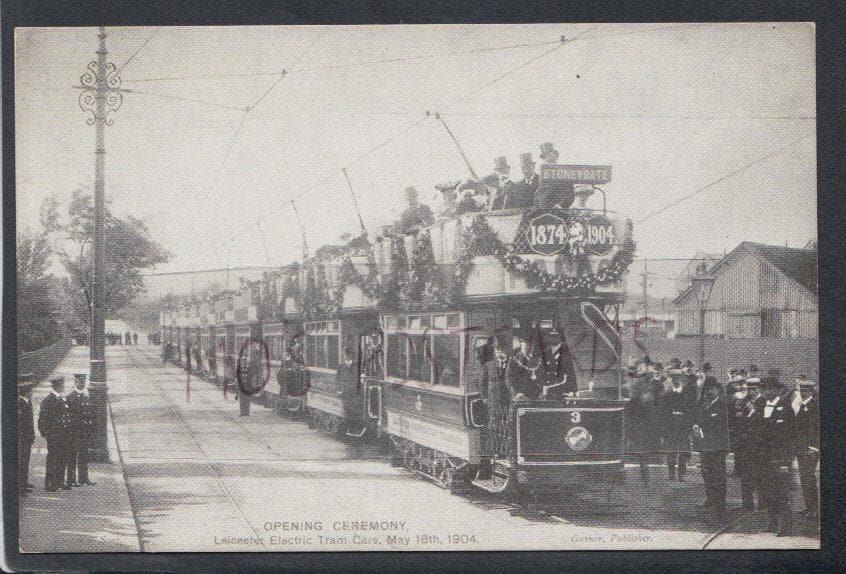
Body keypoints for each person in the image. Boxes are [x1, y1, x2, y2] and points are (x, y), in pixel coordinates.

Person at [753, 376, 794, 536]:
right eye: (764, 389)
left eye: (768, 389)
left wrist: (786, 459)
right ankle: (772, 520)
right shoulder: (760, 404)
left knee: (782, 491)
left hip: (780, 457)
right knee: (766, 490)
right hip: (763, 456)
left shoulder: (786, 408)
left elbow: (790, 436)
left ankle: (785, 525)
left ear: (776, 390)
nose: (765, 392)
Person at [692, 376, 730, 524]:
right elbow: (700, 420)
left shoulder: (722, 405)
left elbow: (721, 427)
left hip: (717, 448)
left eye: (710, 389)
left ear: (716, 390)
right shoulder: (705, 405)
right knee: (706, 473)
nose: (708, 392)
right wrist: (696, 427)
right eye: (706, 389)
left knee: (717, 476)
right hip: (706, 447)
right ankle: (711, 500)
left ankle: (720, 506)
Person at [626, 358, 662, 486]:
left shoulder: (647, 386)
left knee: (642, 453)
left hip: (642, 423)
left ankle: (645, 479)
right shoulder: (637, 385)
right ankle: (645, 479)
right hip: (637, 422)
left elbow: (653, 407)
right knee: (641, 453)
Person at [791, 376, 819, 524]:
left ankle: (813, 509)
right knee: (804, 479)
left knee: (808, 478)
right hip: (802, 448)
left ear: (812, 391)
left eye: (806, 390)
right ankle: (809, 506)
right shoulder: (803, 406)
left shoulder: (814, 406)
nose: (803, 392)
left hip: (810, 449)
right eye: (801, 389)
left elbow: (815, 429)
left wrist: (814, 447)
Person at [38, 377, 70, 491]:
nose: (63, 386)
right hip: (54, 436)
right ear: (57, 386)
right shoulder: (48, 400)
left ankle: (60, 482)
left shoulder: (61, 399)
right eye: (62, 385)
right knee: (52, 459)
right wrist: (46, 434)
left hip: (63, 435)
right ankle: (50, 483)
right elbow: (42, 420)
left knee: (62, 458)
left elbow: (65, 417)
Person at [481, 337, 512, 458]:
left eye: (502, 350)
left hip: (508, 400)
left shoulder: (512, 363)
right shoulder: (488, 365)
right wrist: (484, 398)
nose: (500, 352)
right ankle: (496, 451)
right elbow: (482, 383)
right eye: (498, 350)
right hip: (493, 401)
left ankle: (508, 451)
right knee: (494, 426)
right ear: (494, 352)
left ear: (507, 351)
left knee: (508, 425)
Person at [65, 373, 96, 487]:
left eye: (83, 382)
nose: (82, 384)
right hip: (74, 432)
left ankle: (83, 478)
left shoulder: (85, 396)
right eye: (80, 382)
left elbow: (90, 414)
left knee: (83, 455)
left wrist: (90, 431)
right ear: (75, 382)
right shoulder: (71, 397)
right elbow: (68, 417)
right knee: (72, 456)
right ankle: (71, 479)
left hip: (84, 432)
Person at [661, 369, 691, 482]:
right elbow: (663, 412)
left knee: (683, 450)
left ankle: (681, 475)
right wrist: (664, 429)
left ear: (681, 379)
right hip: (671, 426)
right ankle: (671, 474)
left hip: (683, 425)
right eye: (673, 379)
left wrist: (689, 426)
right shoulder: (667, 394)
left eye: (677, 378)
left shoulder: (687, 393)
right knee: (671, 451)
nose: (675, 381)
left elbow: (691, 410)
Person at [534, 142, 575, 209]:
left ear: (556, 156)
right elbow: (539, 194)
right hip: (543, 211)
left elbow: (570, 195)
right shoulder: (542, 178)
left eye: (549, 155)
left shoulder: (564, 174)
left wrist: (560, 205)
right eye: (545, 157)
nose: (548, 158)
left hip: (559, 211)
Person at [506, 332, 543, 401]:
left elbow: (543, 376)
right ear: (521, 344)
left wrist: (542, 391)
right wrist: (516, 393)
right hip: (521, 396)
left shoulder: (539, 359)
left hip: (538, 396)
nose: (529, 347)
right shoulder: (514, 359)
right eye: (526, 344)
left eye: (531, 345)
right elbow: (509, 378)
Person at [336, 347, 364, 436]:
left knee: (354, 411)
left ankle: (349, 430)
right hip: (346, 393)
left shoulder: (357, 366)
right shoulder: (341, 366)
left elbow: (361, 378)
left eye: (347, 354)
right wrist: (339, 390)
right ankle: (346, 431)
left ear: (351, 355)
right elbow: (338, 380)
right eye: (344, 354)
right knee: (347, 411)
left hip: (355, 393)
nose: (345, 356)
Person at [17, 379, 36, 497]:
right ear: (26, 392)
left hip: (27, 437)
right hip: (22, 438)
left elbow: (30, 421)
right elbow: (22, 423)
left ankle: (24, 483)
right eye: (30, 391)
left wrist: (32, 435)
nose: (32, 392)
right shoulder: (20, 403)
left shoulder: (27, 402)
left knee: (26, 461)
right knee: (22, 462)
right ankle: (21, 487)